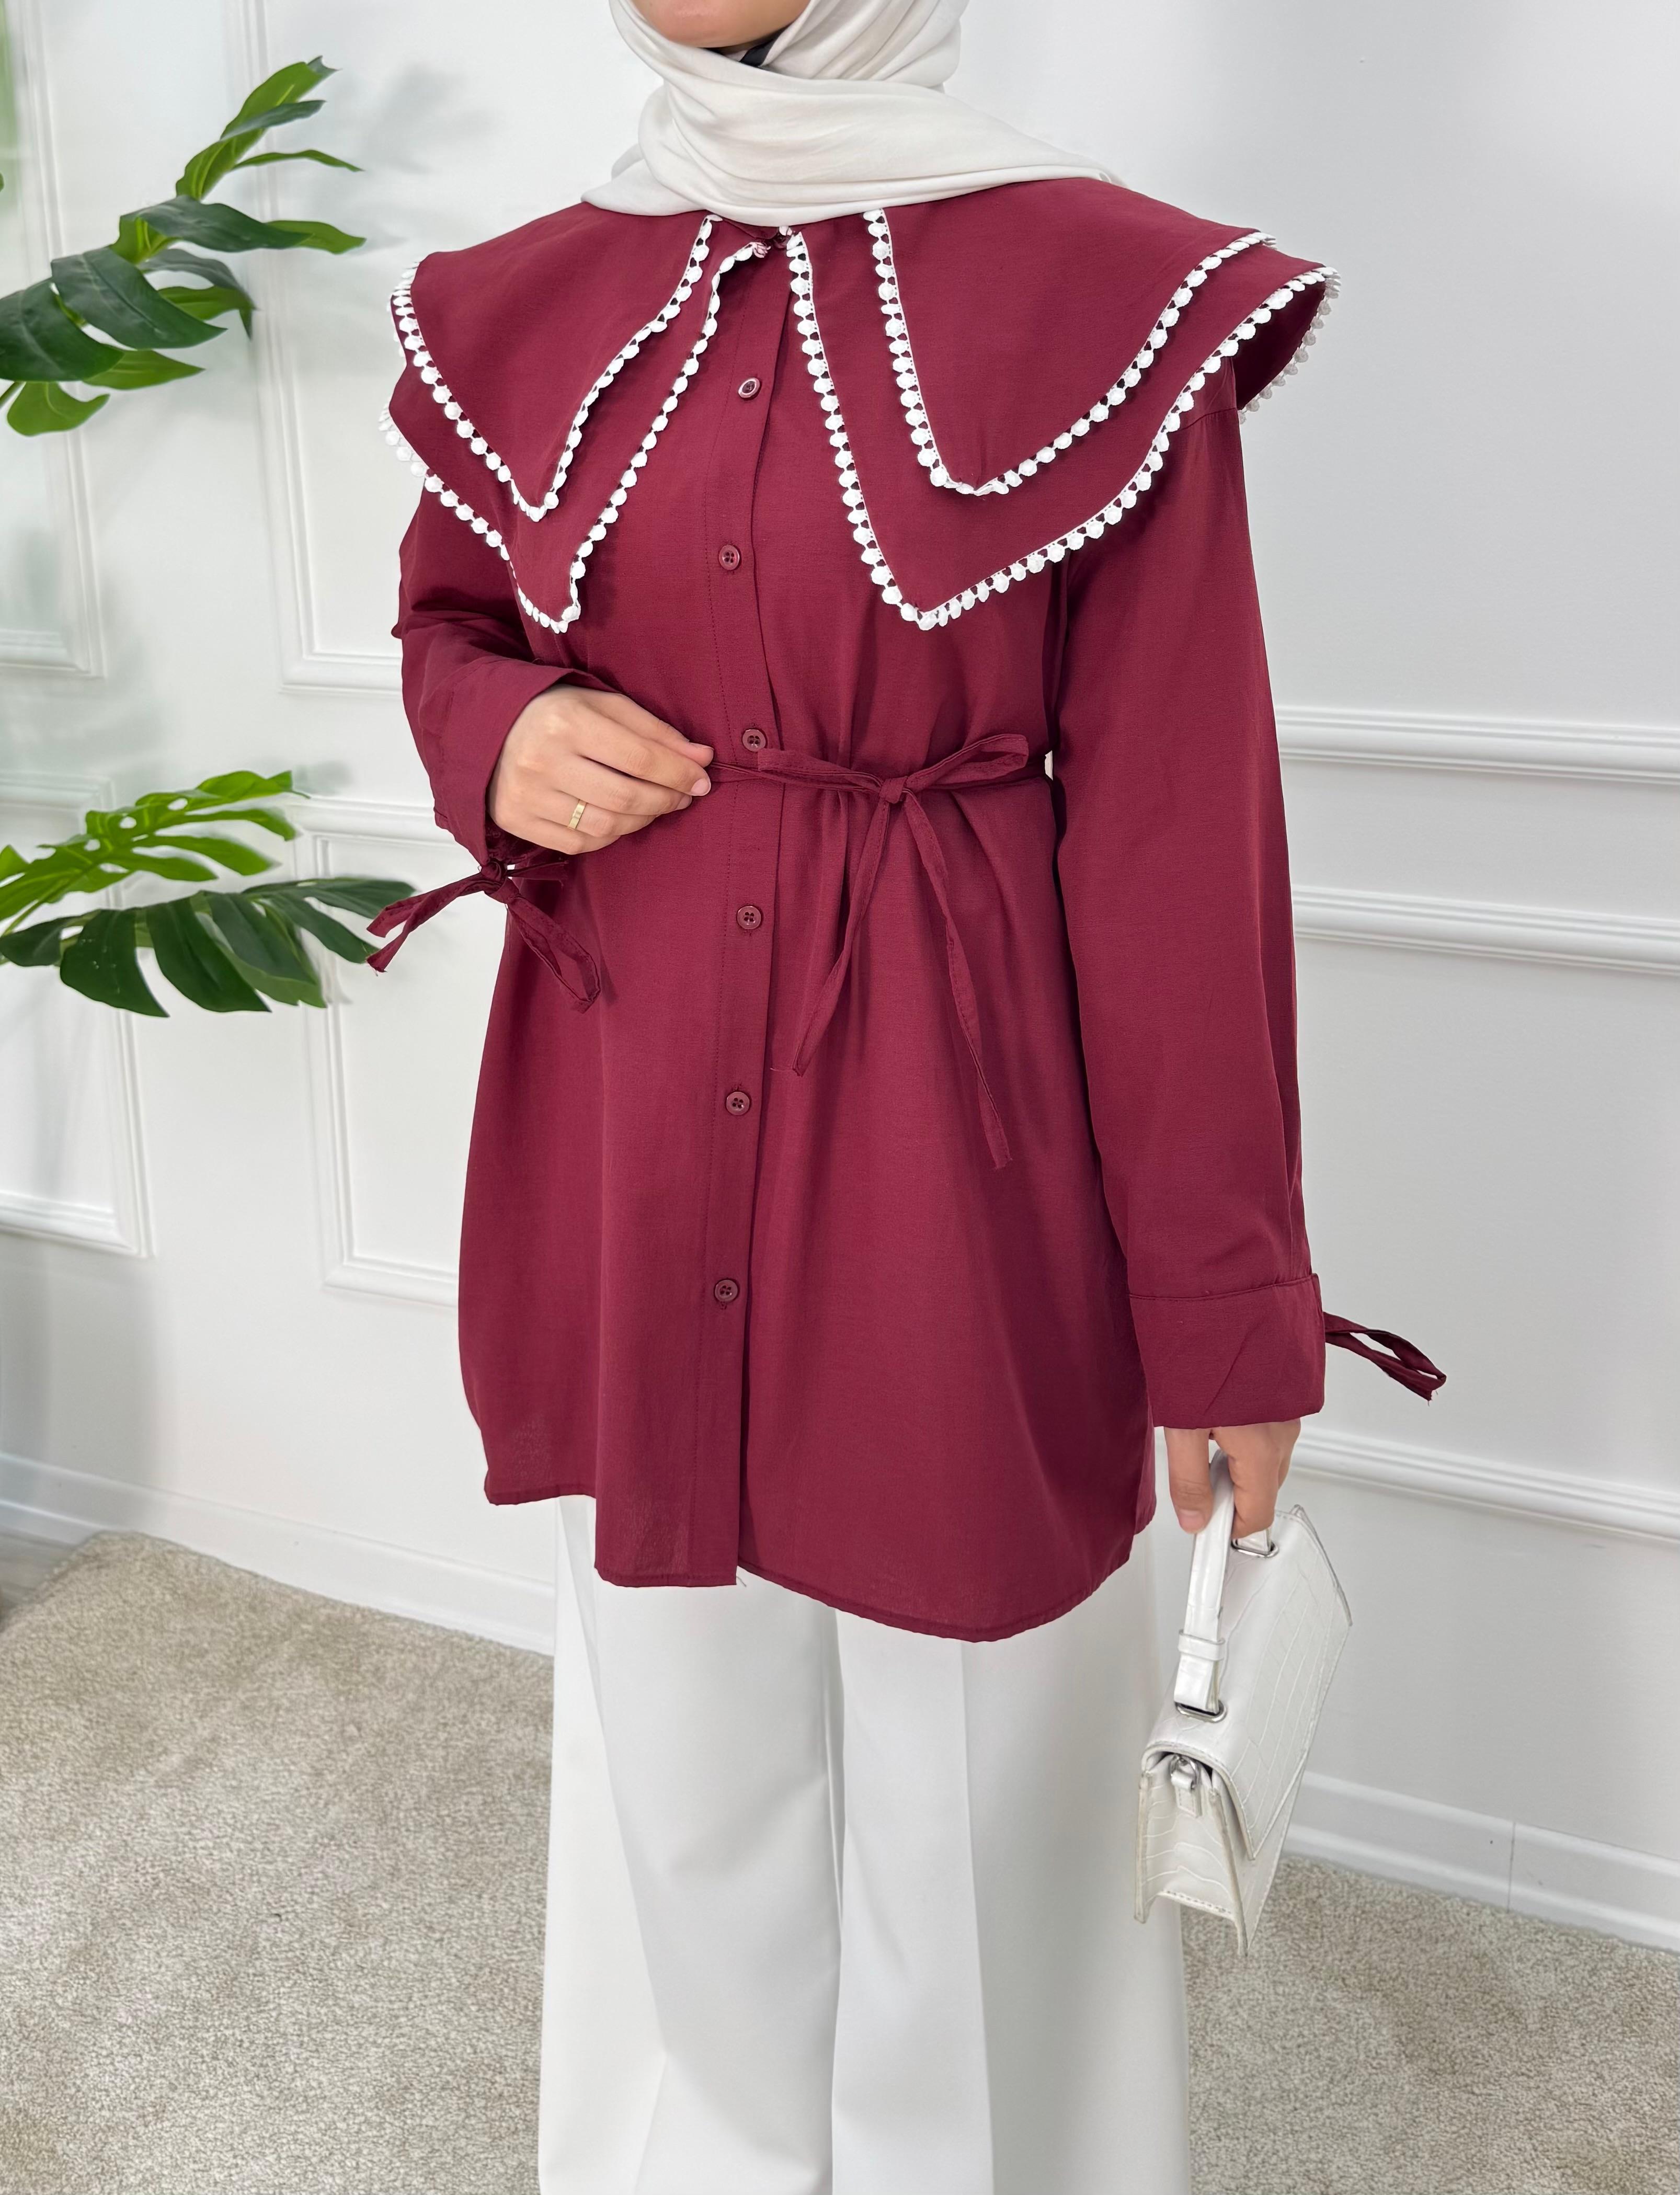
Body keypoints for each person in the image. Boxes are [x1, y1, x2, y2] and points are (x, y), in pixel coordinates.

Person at [371, 1, 1444, 2186]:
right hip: (624, 1108)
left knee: (979, 1768)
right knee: (685, 1752)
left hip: (959, 1146)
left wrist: (1226, 1311)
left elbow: (1178, 843)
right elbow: (449, 623)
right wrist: (495, 734)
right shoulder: (522, 301)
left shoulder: (1102, 295)